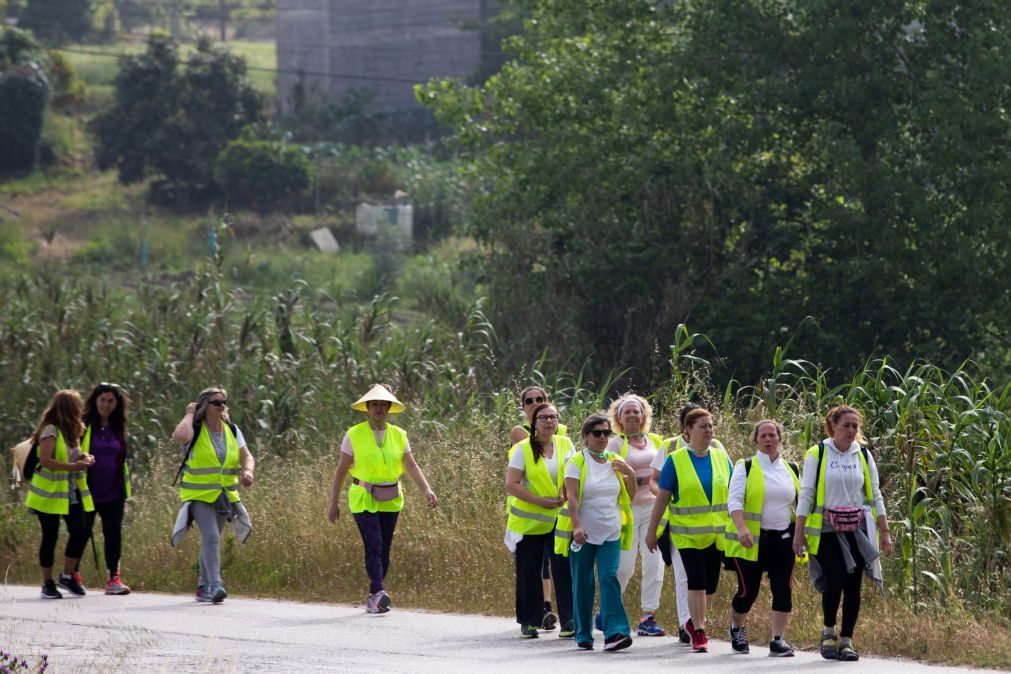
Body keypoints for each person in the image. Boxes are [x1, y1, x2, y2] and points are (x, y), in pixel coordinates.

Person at [327, 384, 439, 614]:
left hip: (390, 497)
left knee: (384, 547)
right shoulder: (354, 434)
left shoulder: (399, 435)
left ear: (389, 408)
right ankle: (378, 590)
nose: (378, 408)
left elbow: (412, 466)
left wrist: (427, 489)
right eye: (375, 404)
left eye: (383, 404)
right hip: (363, 497)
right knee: (374, 543)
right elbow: (341, 470)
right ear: (367, 408)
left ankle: (374, 595)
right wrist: (333, 502)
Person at [793, 405, 892, 662]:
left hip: (856, 528)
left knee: (853, 585)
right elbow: (807, 493)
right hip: (826, 529)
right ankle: (828, 633)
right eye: (846, 425)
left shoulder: (863, 455)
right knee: (834, 580)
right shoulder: (819, 453)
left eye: (855, 426)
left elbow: (876, 494)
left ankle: (847, 640)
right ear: (833, 425)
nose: (851, 430)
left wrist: (885, 531)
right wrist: (799, 531)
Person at [647, 407, 732, 653]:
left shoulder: (720, 456)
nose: (709, 431)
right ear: (688, 430)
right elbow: (662, 499)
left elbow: (734, 492)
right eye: (703, 426)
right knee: (696, 581)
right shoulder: (676, 460)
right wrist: (652, 531)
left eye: (711, 426)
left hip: (716, 535)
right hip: (686, 535)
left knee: (712, 586)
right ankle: (699, 631)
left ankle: (691, 621)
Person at [555, 412, 636, 651]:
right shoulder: (577, 462)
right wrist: (577, 525)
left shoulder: (615, 460)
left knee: (610, 577)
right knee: (583, 582)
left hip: (611, 531)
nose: (602, 438)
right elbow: (571, 497)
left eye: (606, 433)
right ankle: (583, 634)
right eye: (597, 433)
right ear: (586, 436)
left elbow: (627, 498)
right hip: (584, 534)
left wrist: (630, 474)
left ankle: (616, 632)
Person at [171, 387, 255, 604]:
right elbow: (180, 436)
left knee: (211, 539)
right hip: (198, 494)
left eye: (223, 402)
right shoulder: (195, 428)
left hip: (223, 494)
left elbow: (247, 456)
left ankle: (202, 585)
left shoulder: (232, 430)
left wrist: (248, 471)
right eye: (216, 402)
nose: (221, 406)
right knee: (211, 537)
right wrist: (190, 413)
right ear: (205, 406)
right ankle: (215, 584)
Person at [724, 420, 801, 656]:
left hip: (784, 539)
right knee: (748, 592)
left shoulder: (792, 468)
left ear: (780, 438)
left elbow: (801, 504)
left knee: (783, 590)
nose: (768, 439)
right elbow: (734, 500)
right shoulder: (746, 466)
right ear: (756, 440)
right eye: (763, 436)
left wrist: (802, 534)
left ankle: (778, 639)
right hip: (753, 540)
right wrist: (741, 527)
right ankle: (737, 627)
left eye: (772, 435)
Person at [505, 402, 575, 638]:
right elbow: (511, 484)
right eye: (543, 418)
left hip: (559, 519)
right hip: (529, 521)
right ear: (533, 423)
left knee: (563, 568)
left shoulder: (565, 444)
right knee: (529, 571)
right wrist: (540, 501)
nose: (549, 422)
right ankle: (529, 621)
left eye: (553, 417)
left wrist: (566, 495)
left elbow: (574, 475)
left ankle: (569, 620)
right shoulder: (522, 449)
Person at [605, 394, 667, 637]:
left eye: (636, 411)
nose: (632, 415)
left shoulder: (656, 441)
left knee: (655, 564)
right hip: (627, 511)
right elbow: (608, 476)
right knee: (624, 567)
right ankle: (608, 611)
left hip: (654, 509)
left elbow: (664, 472)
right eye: (627, 412)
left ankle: (648, 617)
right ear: (618, 418)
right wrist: (637, 478)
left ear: (644, 416)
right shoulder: (614, 444)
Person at [25, 390, 95, 599]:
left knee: (81, 531)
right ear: (69, 408)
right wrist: (75, 466)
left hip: (68, 493)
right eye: (77, 405)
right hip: (48, 495)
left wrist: (84, 457)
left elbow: (71, 455)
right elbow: (46, 460)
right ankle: (47, 582)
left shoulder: (71, 431)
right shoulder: (50, 430)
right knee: (50, 536)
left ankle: (67, 575)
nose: (81, 408)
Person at [646, 402, 706, 643]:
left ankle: (697, 621)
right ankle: (686, 624)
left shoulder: (716, 447)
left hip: (710, 527)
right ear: (686, 426)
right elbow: (655, 481)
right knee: (684, 575)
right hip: (677, 523)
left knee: (705, 580)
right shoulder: (670, 446)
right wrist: (666, 494)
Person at [77, 382, 132, 595]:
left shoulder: (118, 427)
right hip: (86, 491)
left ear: (116, 404)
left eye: (110, 401)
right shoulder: (82, 425)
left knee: (113, 534)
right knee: (81, 534)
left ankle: (113, 578)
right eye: (102, 400)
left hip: (114, 491)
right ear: (95, 401)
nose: (106, 405)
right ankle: (72, 573)